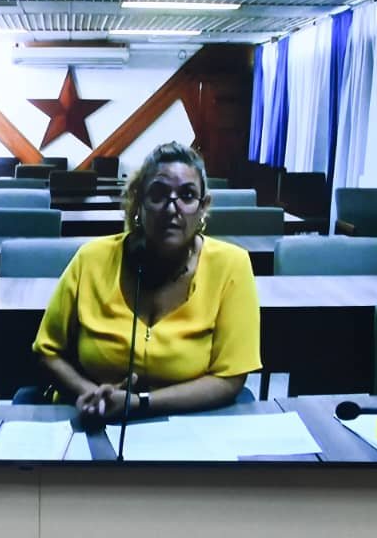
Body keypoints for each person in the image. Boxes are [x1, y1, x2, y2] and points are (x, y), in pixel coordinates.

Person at [31, 141, 261, 420]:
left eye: (187, 195)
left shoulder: (232, 265)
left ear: (204, 207)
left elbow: (230, 377)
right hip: (90, 416)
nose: (172, 208)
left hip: (191, 422)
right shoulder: (91, 259)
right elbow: (48, 351)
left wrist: (139, 403)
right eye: (159, 194)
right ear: (138, 201)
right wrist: (92, 395)